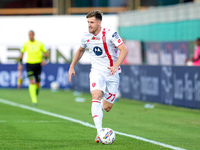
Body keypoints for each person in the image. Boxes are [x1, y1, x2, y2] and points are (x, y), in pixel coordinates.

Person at [68, 10, 128, 143]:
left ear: (99, 23)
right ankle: (99, 131)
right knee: (96, 95)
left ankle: (97, 111)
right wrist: (72, 66)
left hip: (112, 73)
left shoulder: (110, 33)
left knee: (107, 107)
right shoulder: (86, 37)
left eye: (92, 22)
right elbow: (80, 50)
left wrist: (116, 65)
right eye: (88, 22)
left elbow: (124, 50)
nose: (89, 25)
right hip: (96, 72)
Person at [18, 30, 49, 106]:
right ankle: (34, 100)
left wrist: (45, 60)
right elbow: (22, 54)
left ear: (34, 35)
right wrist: (20, 64)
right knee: (31, 81)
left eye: (31, 34)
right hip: (29, 65)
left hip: (38, 65)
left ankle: (36, 92)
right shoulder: (26, 44)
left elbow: (46, 53)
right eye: (29, 35)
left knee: (38, 83)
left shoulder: (39, 44)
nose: (30, 36)